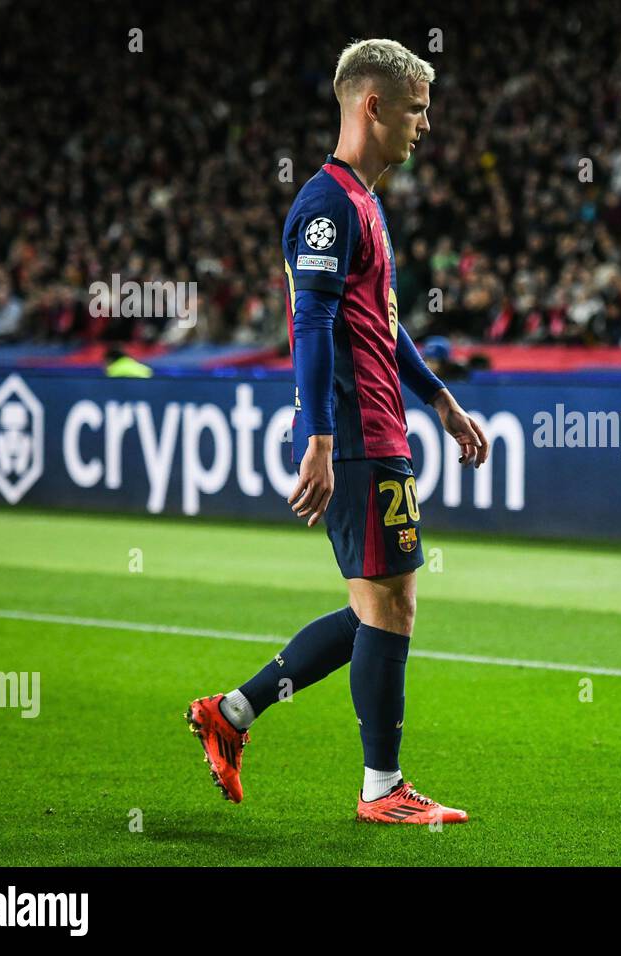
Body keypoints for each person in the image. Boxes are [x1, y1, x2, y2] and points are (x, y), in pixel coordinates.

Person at [186, 38, 489, 825]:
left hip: (378, 424)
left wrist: (439, 399)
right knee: (391, 608)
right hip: (356, 434)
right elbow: (313, 321)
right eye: (417, 109)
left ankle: (234, 713)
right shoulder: (327, 203)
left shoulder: (363, 201)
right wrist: (319, 436)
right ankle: (381, 789)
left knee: (374, 608)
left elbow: (379, 327)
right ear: (374, 106)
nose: (425, 125)